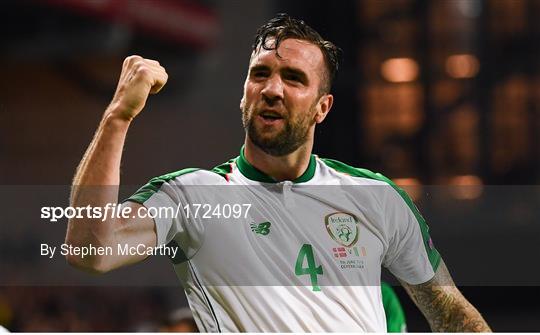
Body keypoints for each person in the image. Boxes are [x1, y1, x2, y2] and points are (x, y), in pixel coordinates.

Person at [66, 14, 491, 332]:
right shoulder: (192, 196)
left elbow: (450, 312)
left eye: (293, 78)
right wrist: (118, 116)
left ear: (322, 107)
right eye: (260, 74)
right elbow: (90, 250)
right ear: (244, 92)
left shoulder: (375, 196)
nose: (272, 89)